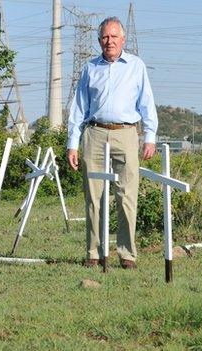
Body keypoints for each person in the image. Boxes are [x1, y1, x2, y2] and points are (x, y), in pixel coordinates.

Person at [67, 16, 158, 269]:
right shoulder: (89, 68)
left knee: (127, 196)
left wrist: (149, 136)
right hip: (94, 134)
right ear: (99, 41)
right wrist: (72, 143)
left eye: (114, 37)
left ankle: (127, 254)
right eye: (105, 37)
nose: (110, 42)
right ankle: (93, 252)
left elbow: (147, 103)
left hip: (126, 134)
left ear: (123, 40)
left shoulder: (136, 66)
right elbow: (78, 108)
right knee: (93, 197)